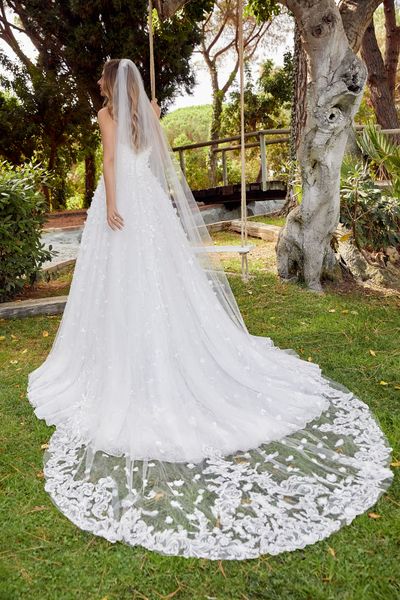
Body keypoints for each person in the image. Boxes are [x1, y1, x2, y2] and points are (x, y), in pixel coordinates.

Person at [27, 58, 393, 560]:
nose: (96, 84)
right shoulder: (143, 112)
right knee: (159, 278)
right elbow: (156, 161)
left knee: (128, 279)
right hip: (149, 202)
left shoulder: (108, 114)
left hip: (124, 201)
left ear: (111, 82)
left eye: (100, 79)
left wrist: (112, 204)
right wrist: (152, 123)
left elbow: (111, 164)